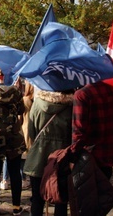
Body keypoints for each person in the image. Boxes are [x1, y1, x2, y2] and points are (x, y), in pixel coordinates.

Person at [23, 88, 74, 216]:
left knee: (37, 199)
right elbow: (71, 135)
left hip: (38, 156)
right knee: (61, 199)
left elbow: (31, 131)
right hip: (61, 158)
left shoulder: (38, 103)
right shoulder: (70, 107)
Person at [0, 67, 26, 216]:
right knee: (15, 172)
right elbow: (22, 110)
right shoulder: (16, 92)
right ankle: (16, 206)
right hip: (13, 134)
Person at [70, 80, 113, 180]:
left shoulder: (82, 95)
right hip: (109, 153)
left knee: (88, 193)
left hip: (90, 156)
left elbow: (78, 130)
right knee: (104, 190)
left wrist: (73, 157)